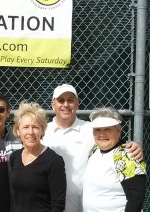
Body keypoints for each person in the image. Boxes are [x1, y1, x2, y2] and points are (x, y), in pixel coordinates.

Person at [42, 84, 144, 212]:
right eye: (61, 100)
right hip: (49, 204)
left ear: (77, 104)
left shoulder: (89, 129)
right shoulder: (42, 131)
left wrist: (133, 145)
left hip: (79, 206)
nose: (66, 105)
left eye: (70, 100)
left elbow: (112, 141)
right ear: (53, 104)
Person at [82, 107, 146, 212]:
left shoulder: (127, 154)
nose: (102, 134)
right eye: (97, 129)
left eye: (107, 129)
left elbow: (136, 196)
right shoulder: (95, 150)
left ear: (118, 130)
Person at [9, 101, 66, 212]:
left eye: (35, 127)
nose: (31, 132)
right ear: (18, 130)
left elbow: (58, 205)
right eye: (25, 127)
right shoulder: (14, 157)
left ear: (42, 130)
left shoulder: (54, 161)